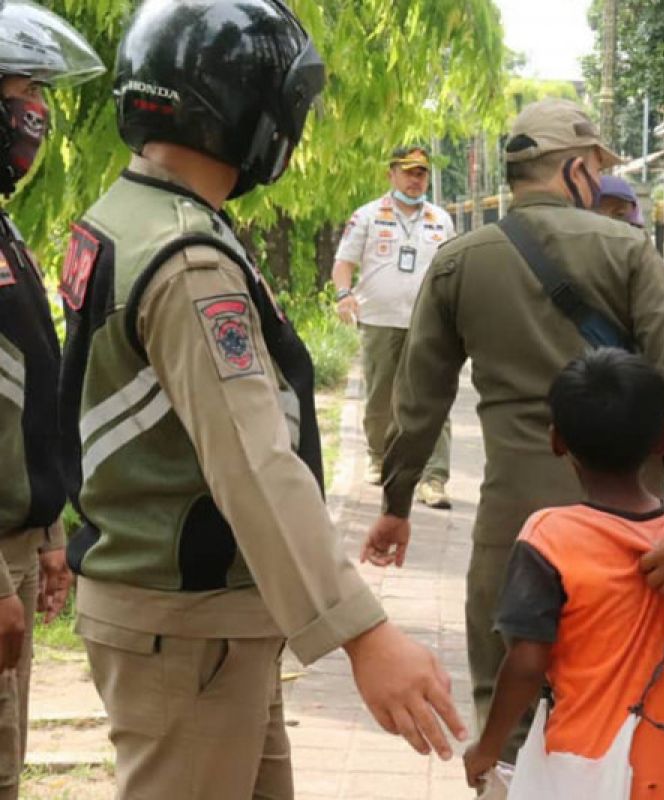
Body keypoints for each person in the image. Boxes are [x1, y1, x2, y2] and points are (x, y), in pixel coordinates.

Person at [57, 2, 465, 796]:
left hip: (193, 617)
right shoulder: (188, 261)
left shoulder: (130, 216)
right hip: (188, 631)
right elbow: (252, 462)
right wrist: (364, 634)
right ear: (241, 105)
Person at [361, 97, 664, 757]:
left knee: (509, 723)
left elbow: (418, 407)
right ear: (576, 170)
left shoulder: (461, 261)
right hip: (629, 531)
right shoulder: (628, 250)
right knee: (630, 721)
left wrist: (396, 506)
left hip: (513, 534)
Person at [462, 349, 664, 797]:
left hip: (589, 766)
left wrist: (488, 746)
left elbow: (527, 662)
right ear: (663, 440)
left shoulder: (548, 537)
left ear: (556, 440)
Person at [0, 4, 102, 796]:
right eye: (19, 91)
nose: (34, 111)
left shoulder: (4, 231)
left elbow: (24, 393)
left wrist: (47, 528)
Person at [332, 145, 455, 501]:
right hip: (380, 320)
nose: (416, 180)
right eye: (409, 172)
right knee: (381, 396)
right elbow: (344, 263)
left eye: (421, 173)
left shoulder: (440, 219)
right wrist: (344, 295)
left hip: (429, 321)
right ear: (392, 174)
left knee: (432, 397)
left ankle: (434, 478)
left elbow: (451, 270)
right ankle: (378, 456)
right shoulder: (368, 216)